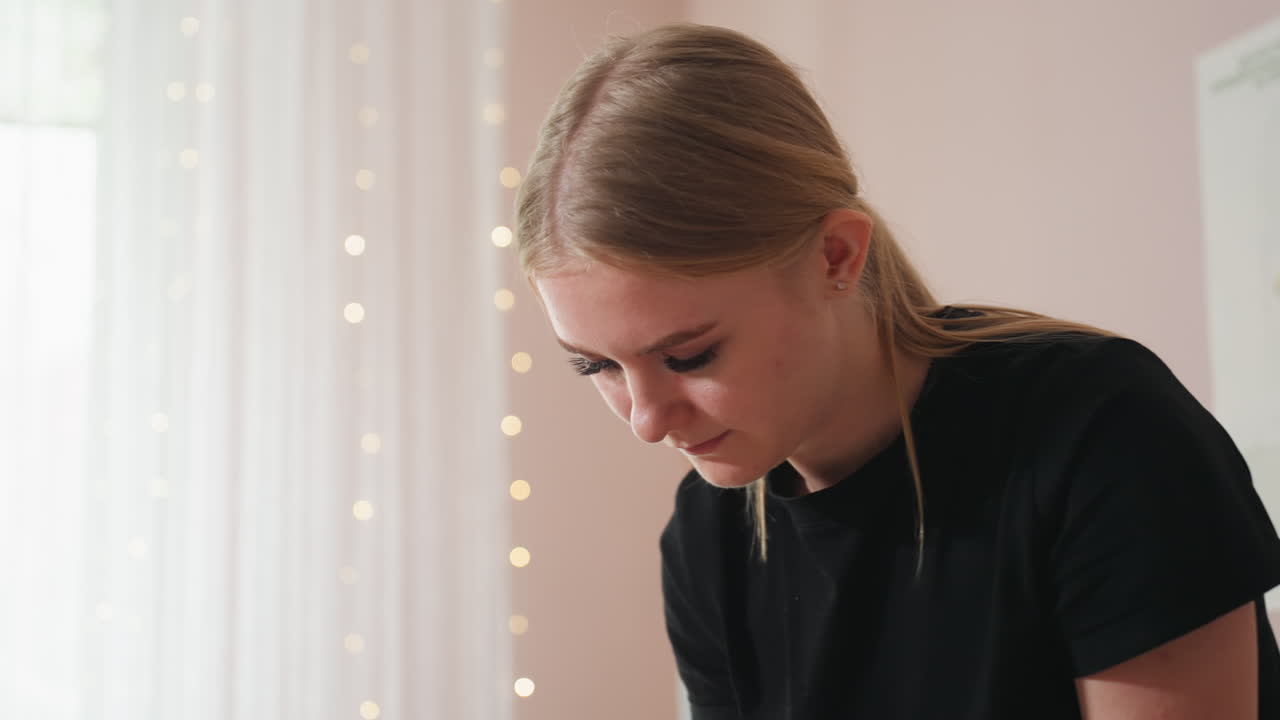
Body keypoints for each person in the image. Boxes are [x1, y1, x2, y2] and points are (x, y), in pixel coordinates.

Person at [514, 22, 1280, 719]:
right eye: (595, 366)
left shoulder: (1100, 433)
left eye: (689, 356)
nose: (647, 422)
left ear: (835, 255)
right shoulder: (707, 535)